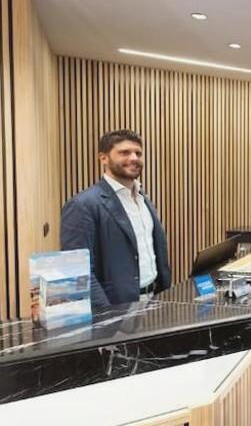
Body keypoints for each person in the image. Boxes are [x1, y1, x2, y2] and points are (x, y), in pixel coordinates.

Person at [60, 130, 171, 307]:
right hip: (117, 309)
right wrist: (108, 315)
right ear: (103, 158)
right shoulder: (82, 205)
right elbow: (78, 271)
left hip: (154, 301)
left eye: (138, 153)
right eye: (124, 152)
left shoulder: (142, 198)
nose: (134, 158)